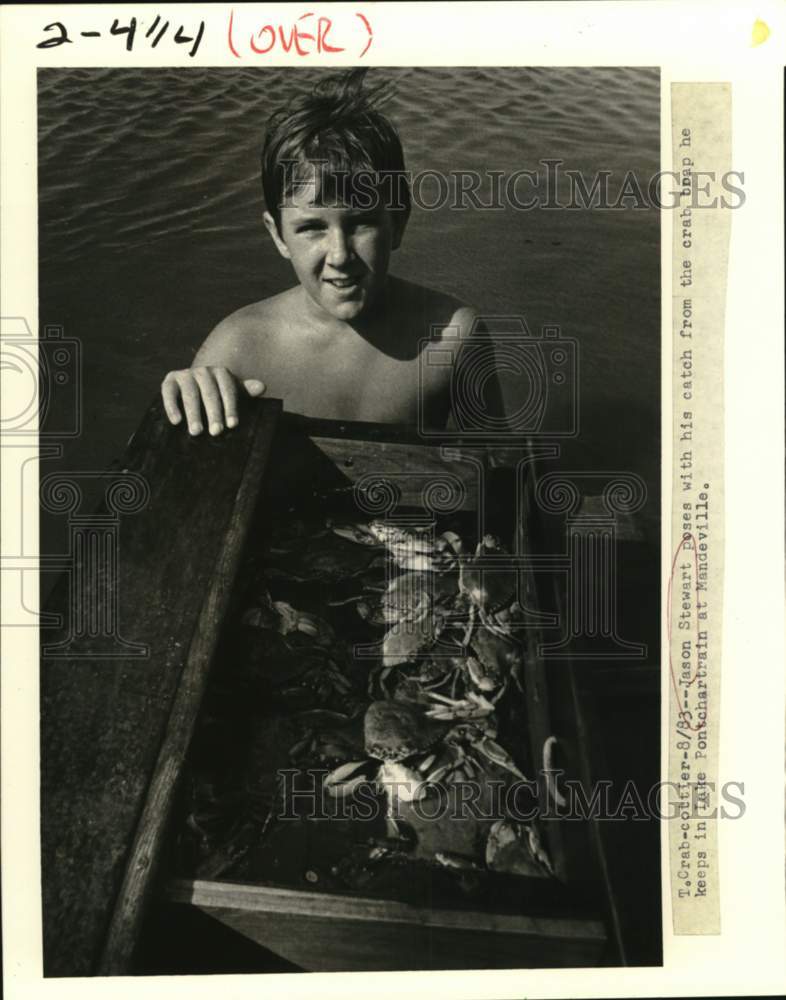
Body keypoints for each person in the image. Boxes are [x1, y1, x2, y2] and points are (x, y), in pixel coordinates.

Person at [161, 68, 504, 434]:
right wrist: (187, 398)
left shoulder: (453, 336)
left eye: (361, 223)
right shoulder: (239, 348)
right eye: (311, 227)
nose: (340, 255)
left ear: (398, 223)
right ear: (277, 235)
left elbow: (500, 471)